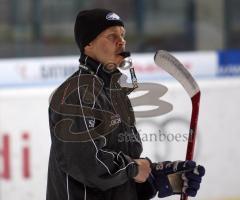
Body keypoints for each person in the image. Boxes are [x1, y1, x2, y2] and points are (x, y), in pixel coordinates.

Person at [46, 8, 205, 200]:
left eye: (122, 35)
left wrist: (161, 178)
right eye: (111, 36)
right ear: (88, 44)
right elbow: (87, 164)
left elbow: (125, 169)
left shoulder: (117, 93)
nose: (121, 41)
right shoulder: (76, 93)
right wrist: (136, 168)